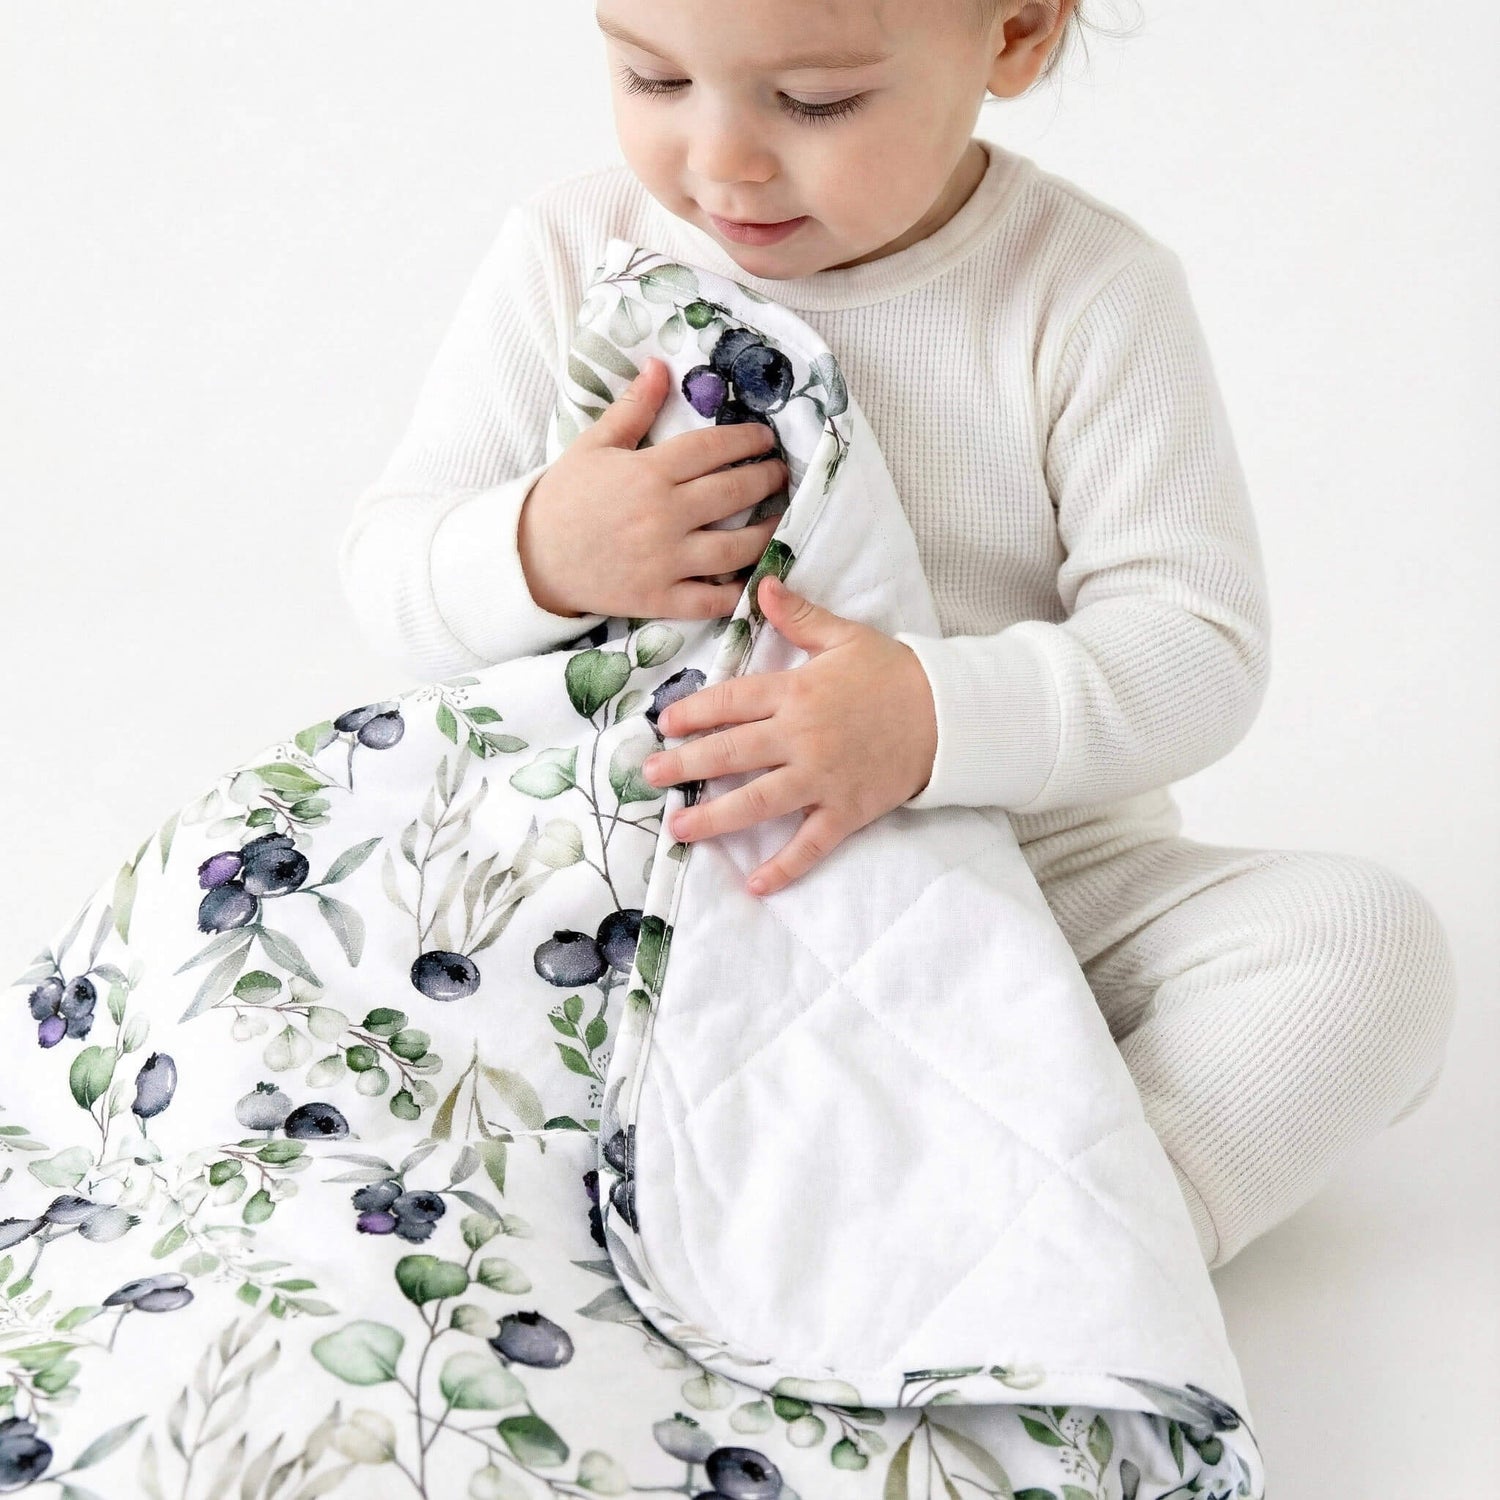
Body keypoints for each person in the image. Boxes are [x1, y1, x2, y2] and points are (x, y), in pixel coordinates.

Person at [338, 0, 1458, 1279]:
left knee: (1362, 945)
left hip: (1035, 881)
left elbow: (1196, 648)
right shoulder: (572, 251)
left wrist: (929, 718)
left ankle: (1081, 1250)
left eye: (815, 100)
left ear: (1015, 34)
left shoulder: (1084, 290)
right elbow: (390, 573)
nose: (723, 160)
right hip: (651, 891)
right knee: (384, 968)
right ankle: (687, 1204)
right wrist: (539, 544)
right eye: (654, 77)